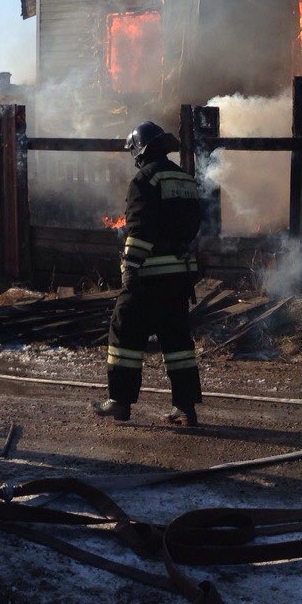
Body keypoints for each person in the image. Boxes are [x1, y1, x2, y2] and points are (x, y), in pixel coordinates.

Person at [91, 120, 203, 426]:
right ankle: (186, 406)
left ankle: (120, 401)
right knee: (177, 340)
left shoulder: (144, 180)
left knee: (124, 329)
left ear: (140, 150)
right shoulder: (185, 179)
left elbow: (139, 231)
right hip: (179, 276)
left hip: (149, 276)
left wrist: (130, 268)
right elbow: (194, 226)